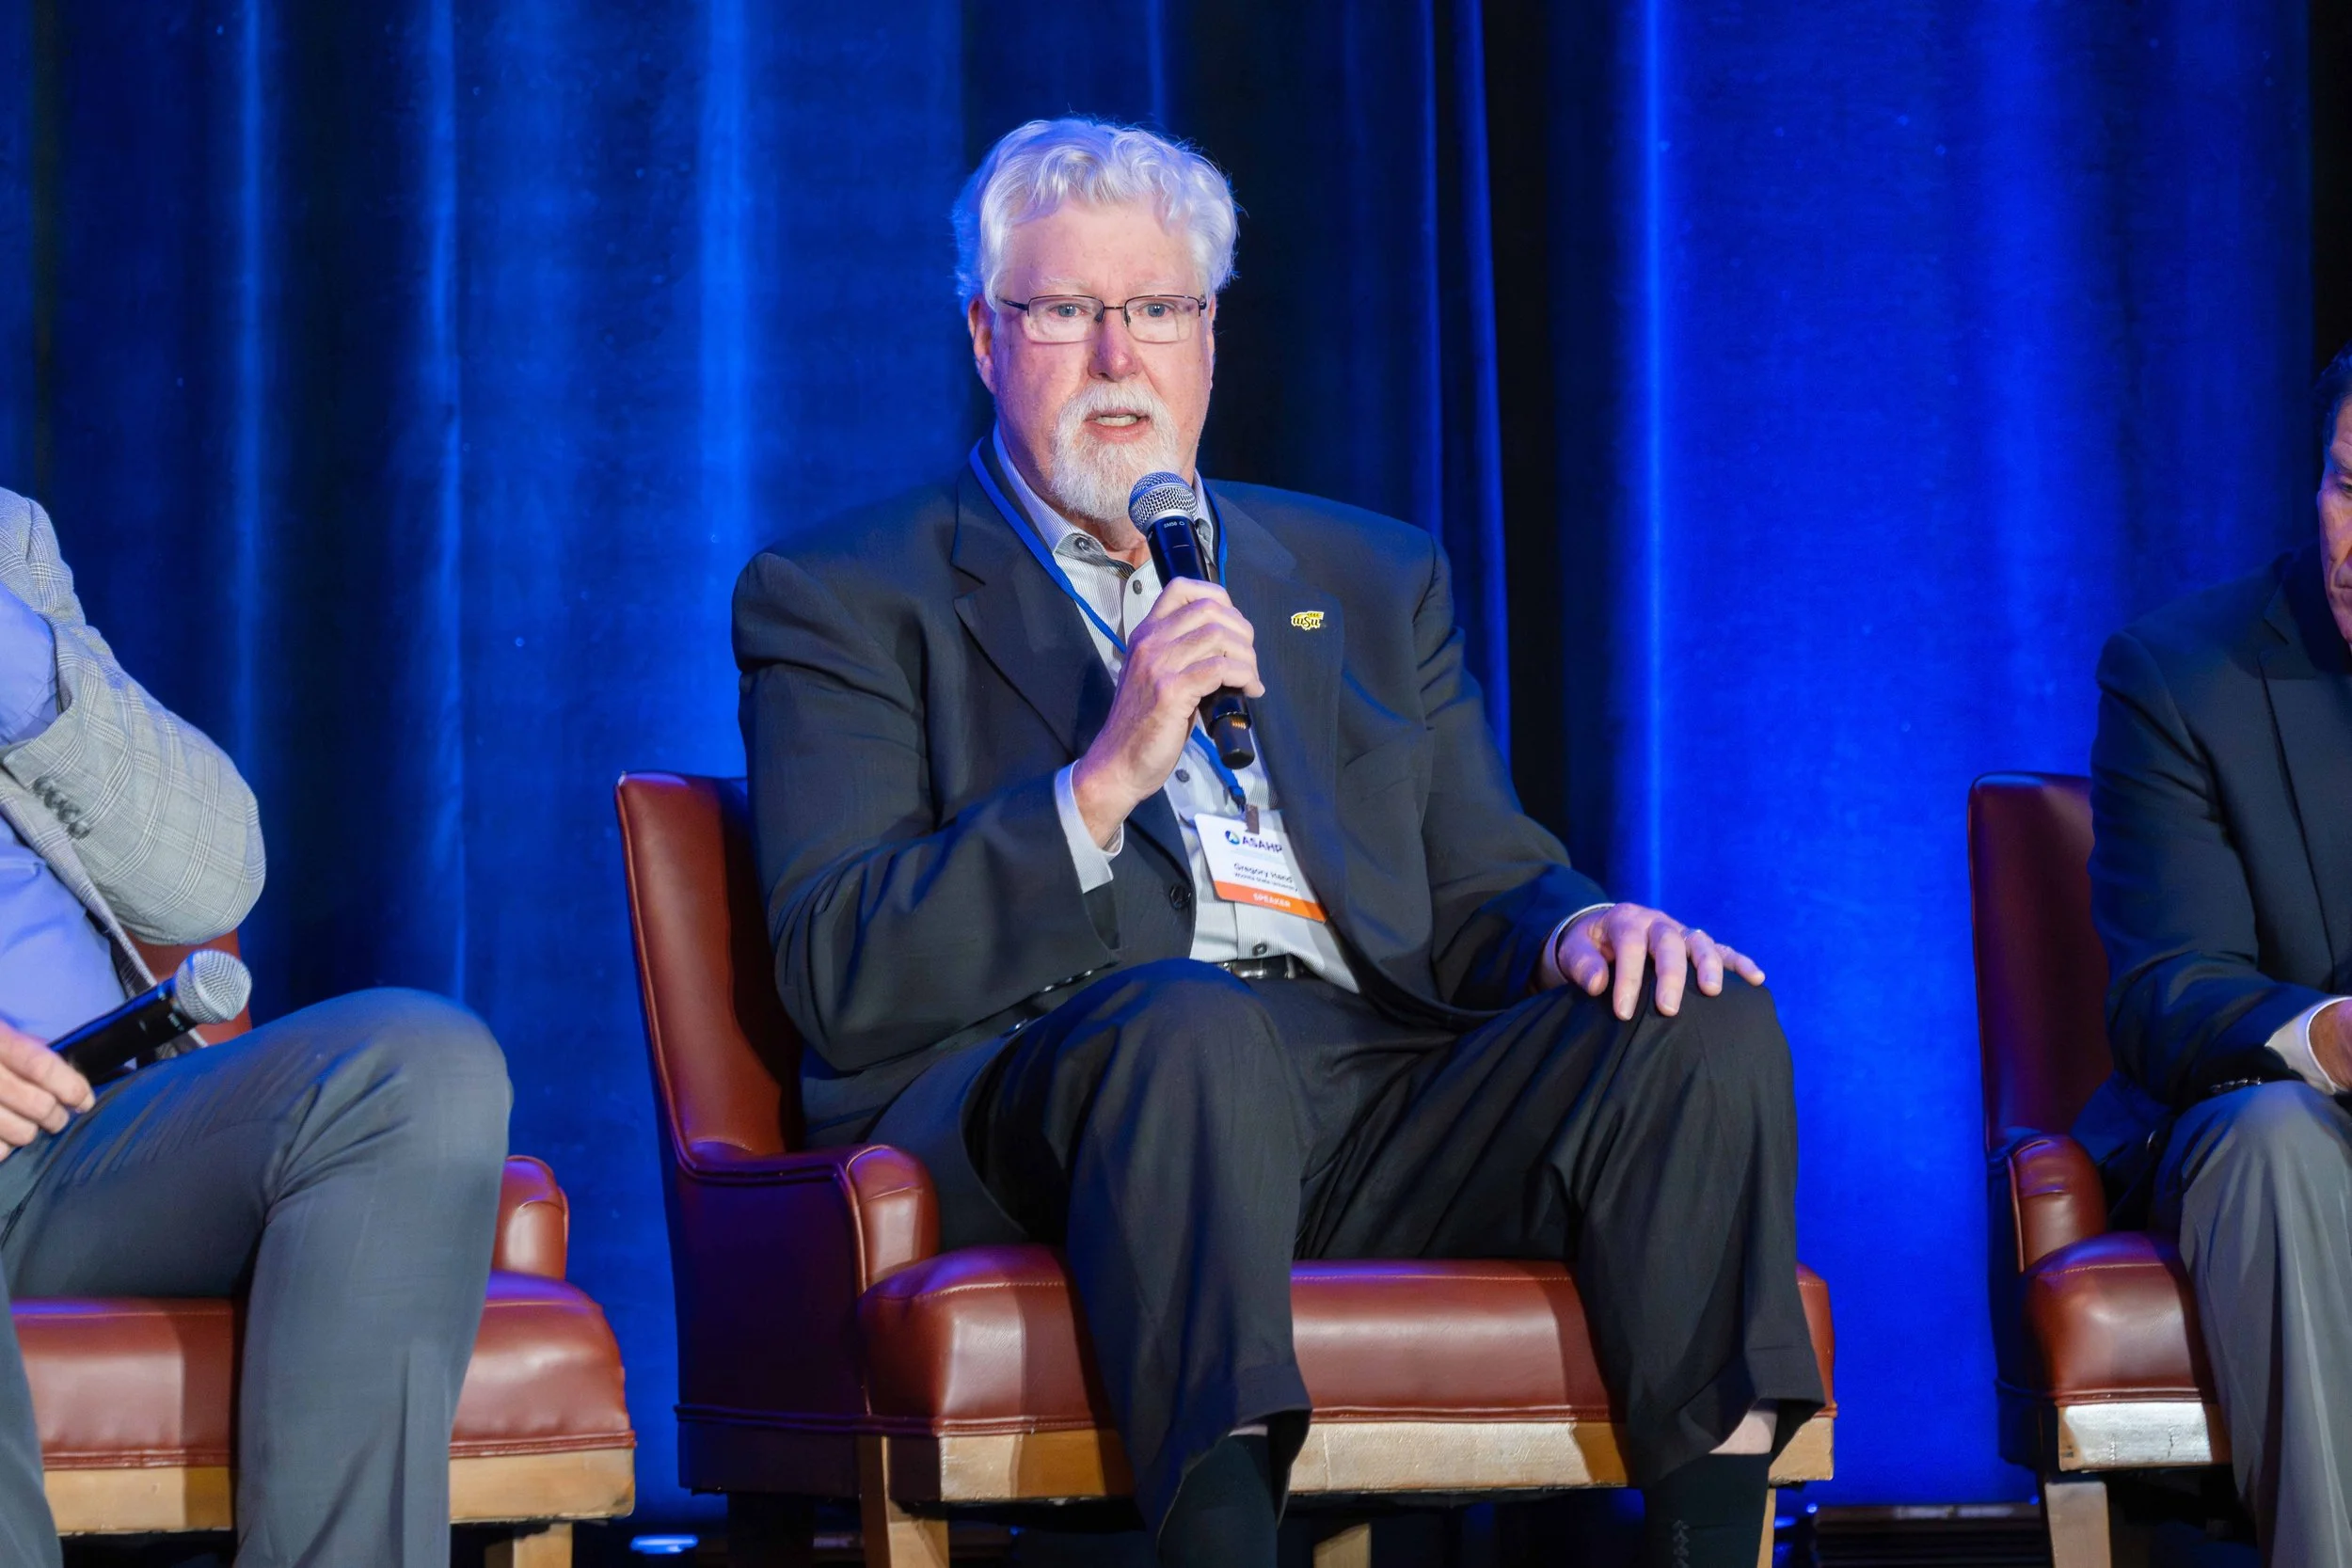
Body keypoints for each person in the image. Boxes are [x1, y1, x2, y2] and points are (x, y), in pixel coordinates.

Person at [735, 118, 1821, 1568]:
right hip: (1063, 1098)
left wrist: (1578, 925)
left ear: (1208, 336)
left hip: (1366, 1093)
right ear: (987, 339)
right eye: (1066, 311)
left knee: (1697, 1014)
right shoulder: (843, 594)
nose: (1119, 358)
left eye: (1159, 310)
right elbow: (840, 965)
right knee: (1195, 1025)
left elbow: (1484, 878)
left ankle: (1713, 1539)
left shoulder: (1368, 576)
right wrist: (1103, 777)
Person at [0, 488, 511, 1566]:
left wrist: (24, 671)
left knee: (419, 1068)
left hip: (100, 1121)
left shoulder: (10, 542)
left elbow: (211, 880)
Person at [2082, 339, 2352, 1564]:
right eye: (2348, 486)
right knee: (2274, 1138)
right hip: (2281, 1118)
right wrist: (2332, 1034)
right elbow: (2167, 990)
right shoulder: (2185, 674)